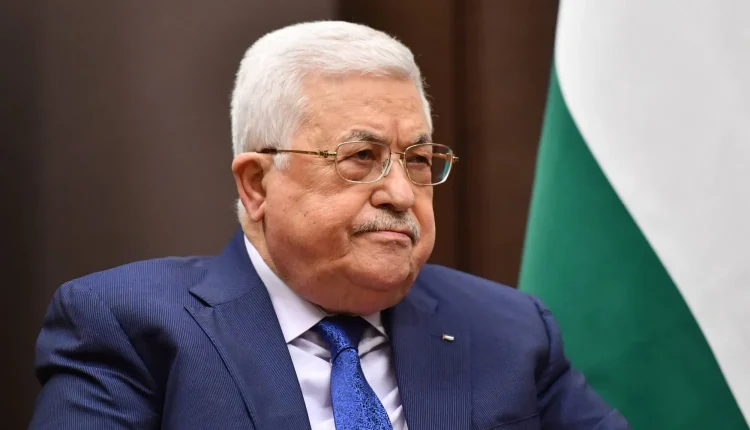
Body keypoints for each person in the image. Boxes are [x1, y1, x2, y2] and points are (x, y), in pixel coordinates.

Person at [29, 21, 630, 430]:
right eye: (361, 157)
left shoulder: (508, 330)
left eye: (419, 160)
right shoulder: (130, 326)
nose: (401, 194)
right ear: (257, 184)